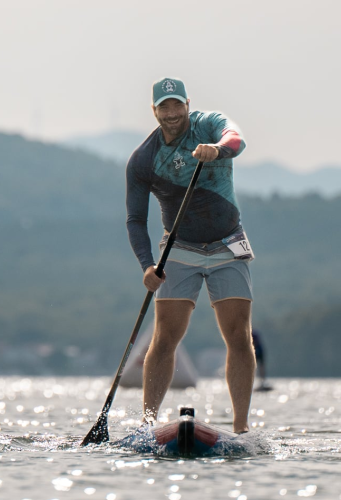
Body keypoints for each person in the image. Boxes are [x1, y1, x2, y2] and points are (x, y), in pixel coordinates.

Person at [126, 77, 254, 432]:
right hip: (179, 249)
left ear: (187, 104)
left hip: (228, 244)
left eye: (177, 105)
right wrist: (147, 266)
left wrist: (219, 150)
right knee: (165, 337)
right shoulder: (143, 160)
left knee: (238, 336)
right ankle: (148, 424)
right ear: (154, 111)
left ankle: (241, 428)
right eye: (163, 107)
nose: (171, 113)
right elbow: (136, 220)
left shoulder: (209, 124)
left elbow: (237, 139)